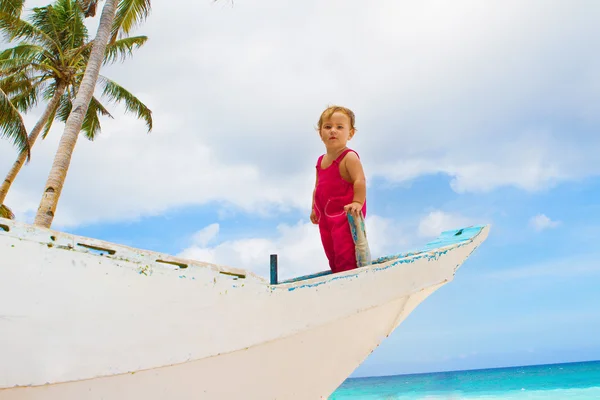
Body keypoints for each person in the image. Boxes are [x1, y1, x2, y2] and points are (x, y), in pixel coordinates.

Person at [310, 105, 368, 273]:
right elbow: (317, 187)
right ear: (320, 133)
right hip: (326, 217)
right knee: (331, 249)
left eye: (339, 127)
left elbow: (360, 180)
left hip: (345, 216)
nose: (333, 131)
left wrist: (357, 201)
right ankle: (337, 275)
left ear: (350, 133)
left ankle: (348, 275)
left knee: (346, 250)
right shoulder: (321, 160)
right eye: (328, 127)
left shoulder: (349, 157)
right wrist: (314, 208)